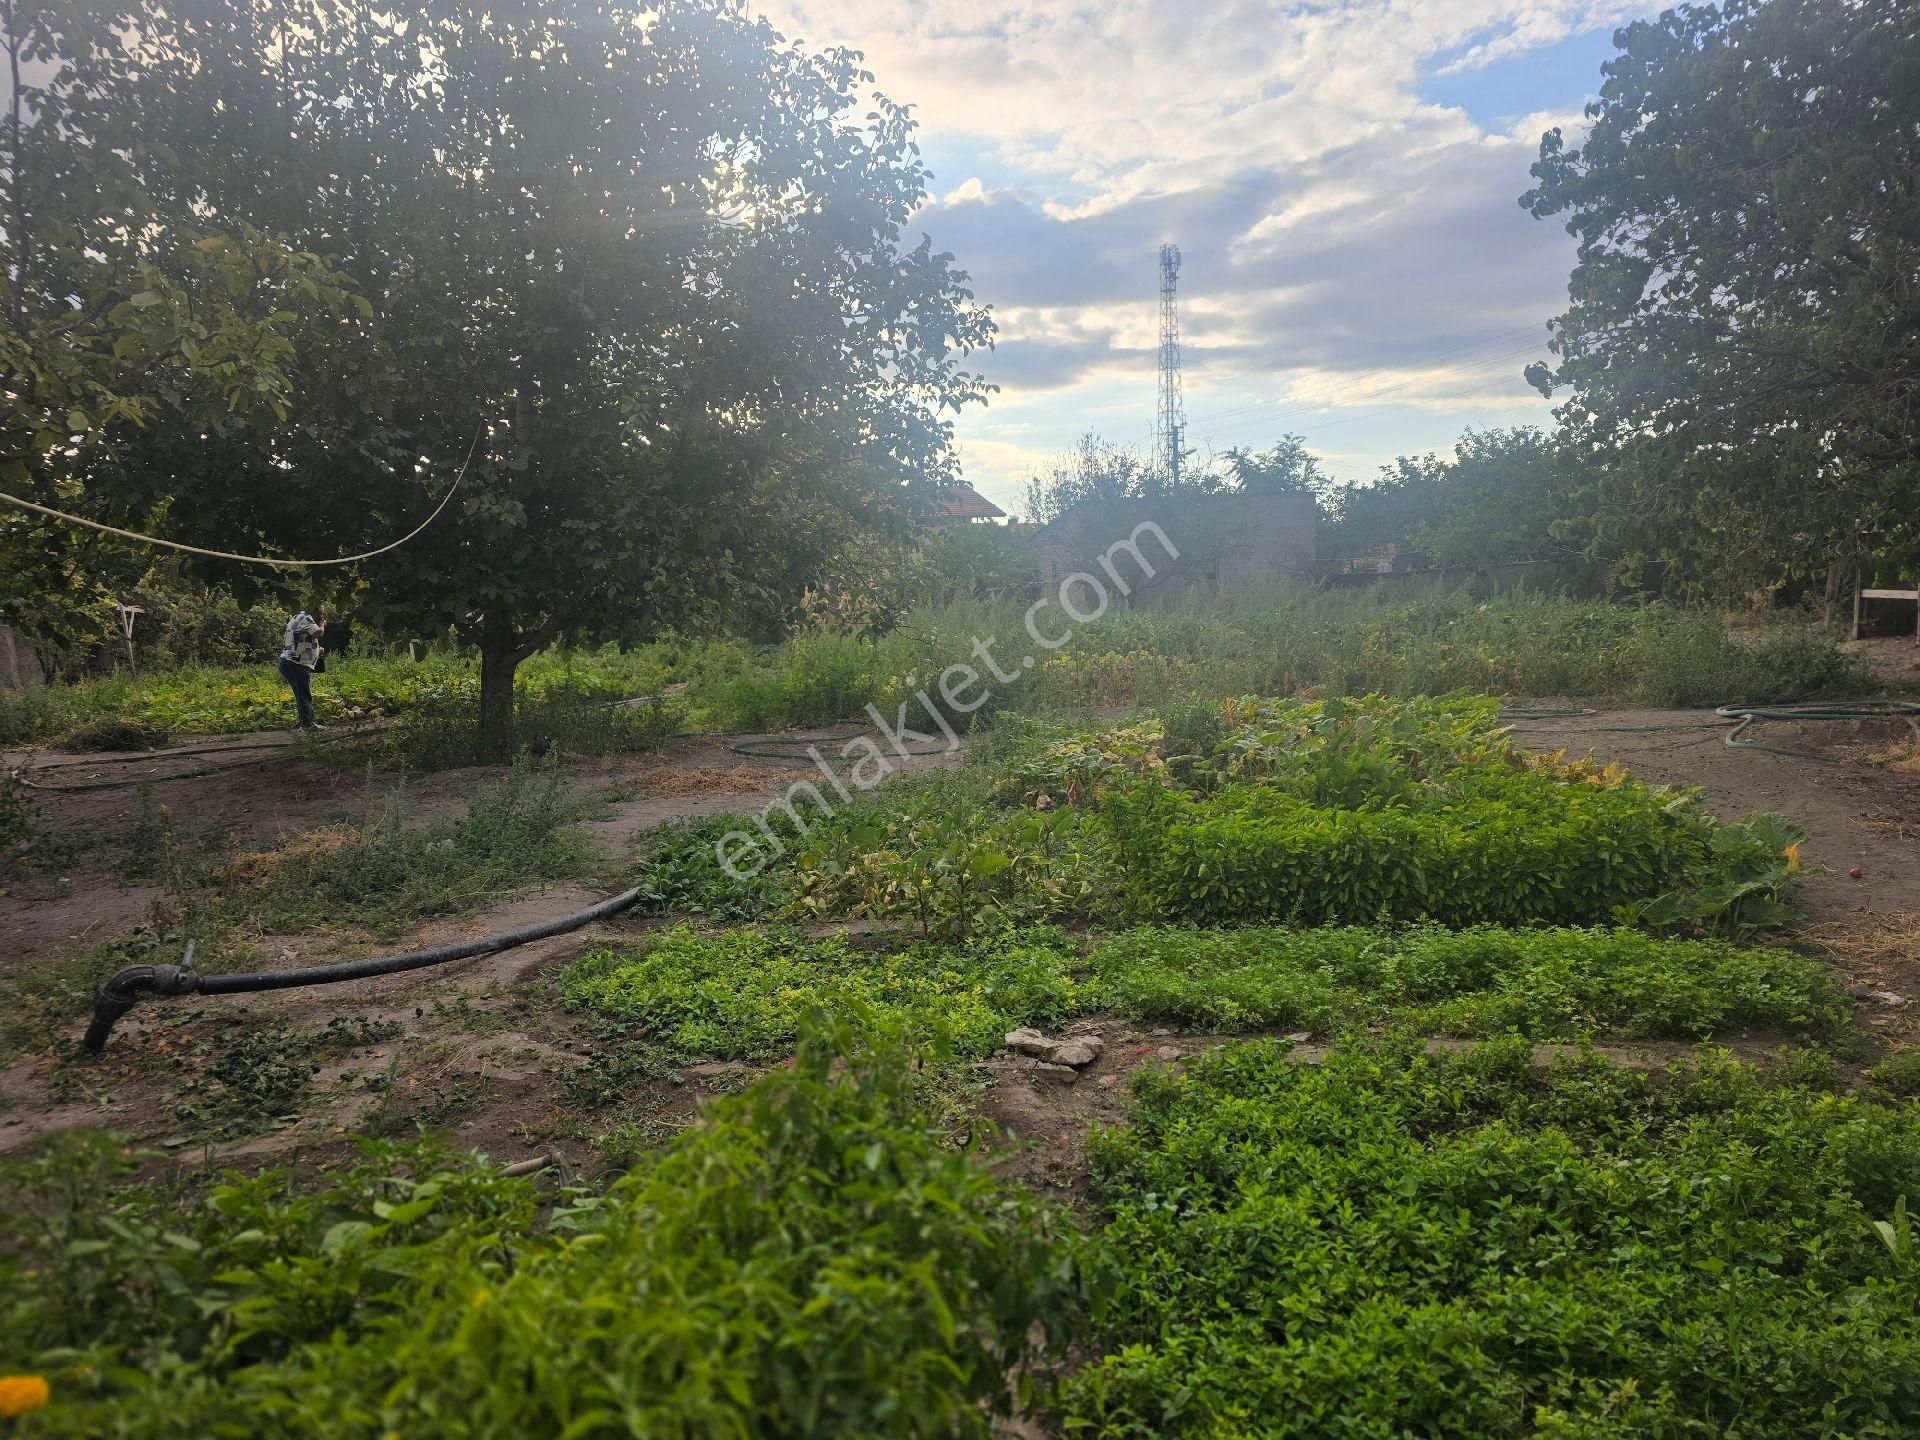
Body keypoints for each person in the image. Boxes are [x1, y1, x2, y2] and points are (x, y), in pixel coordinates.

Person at [278, 606, 327, 730]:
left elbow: (302, 640)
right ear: (314, 610)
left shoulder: (298, 618)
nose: (321, 616)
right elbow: (318, 633)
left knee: (301, 694)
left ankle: (306, 723)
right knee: (304, 695)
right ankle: (307, 725)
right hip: (296, 664)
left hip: (290, 662)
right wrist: (321, 625)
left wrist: (317, 649)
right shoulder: (306, 617)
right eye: (320, 613)